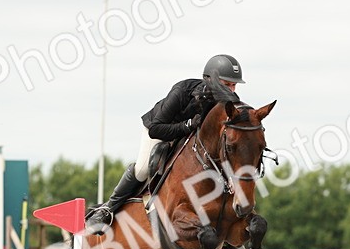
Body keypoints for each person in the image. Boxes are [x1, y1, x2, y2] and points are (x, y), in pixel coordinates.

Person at [85, 54, 245, 233]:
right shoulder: (182, 91)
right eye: (227, 84)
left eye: (234, 85)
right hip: (160, 130)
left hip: (189, 137)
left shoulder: (229, 102)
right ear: (211, 80)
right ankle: (108, 209)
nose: (231, 90)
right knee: (142, 169)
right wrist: (187, 125)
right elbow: (156, 129)